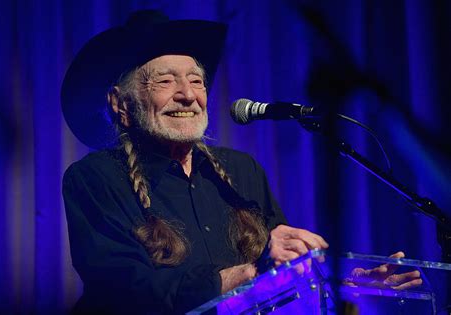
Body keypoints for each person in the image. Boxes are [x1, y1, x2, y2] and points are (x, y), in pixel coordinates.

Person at [61, 10, 419, 315]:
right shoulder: (96, 177)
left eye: (197, 81)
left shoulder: (242, 171)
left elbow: (283, 278)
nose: (187, 94)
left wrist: (347, 284)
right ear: (120, 104)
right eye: (165, 81)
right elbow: (124, 293)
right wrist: (243, 275)